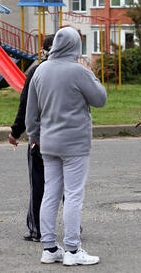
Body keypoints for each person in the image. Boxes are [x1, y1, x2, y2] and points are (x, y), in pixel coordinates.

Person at [25, 26, 107, 266]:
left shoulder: (40, 71)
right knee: (73, 195)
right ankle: (72, 249)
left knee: (50, 193)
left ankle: (49, 247)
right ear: (75, 46)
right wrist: (91, 73)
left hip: (47, 143)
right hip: (75, 144)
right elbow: (100, 99)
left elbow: (32, 112)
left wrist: (33, 136)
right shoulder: (78, 72)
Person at [8, 35, 54, 242]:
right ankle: (74, 226)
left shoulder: (36, 71)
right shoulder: (74, 71)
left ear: (43, 50)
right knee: (66, 187)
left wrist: (16, 132)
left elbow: (26, 106)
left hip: (41, 137)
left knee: (38, 184)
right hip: (65, 138)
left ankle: (37, 229)